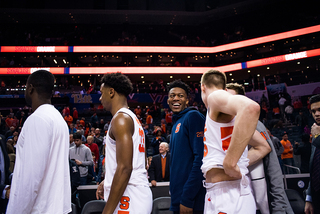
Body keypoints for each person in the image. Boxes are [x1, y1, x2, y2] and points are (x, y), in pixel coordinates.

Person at [200, 70, 270, 214]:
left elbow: (251, 107)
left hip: (227, 194)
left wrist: (230, 163)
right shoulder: (230, 119)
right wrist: (240, 161)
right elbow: (263, 147)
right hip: (234, 191)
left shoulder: (214, 96)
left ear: (202, 87)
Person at [6, 70, 71, 214]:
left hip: (39, 209)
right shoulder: (58, 119)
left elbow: (30, 179)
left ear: (30, 88)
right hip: (56, 206)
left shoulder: (37, 119)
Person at [226, 82, 293, 213]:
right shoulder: (223, 127)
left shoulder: (255, 125)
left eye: (232, 99)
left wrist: (279, 206)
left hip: (259, 202)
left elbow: (273, 167)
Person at [95, 73, 152, 214]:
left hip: (129, 195)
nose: (100, 98)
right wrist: (107, 180)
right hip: (135, 192)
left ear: (111, 92)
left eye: (102, 93)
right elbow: (140, 161)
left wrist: (107, 211)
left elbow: (125, 167)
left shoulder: (120, 119)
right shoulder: (132, 118)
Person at [167, 79, 206, 214]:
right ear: (168, 100)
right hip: (178, 198)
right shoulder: (176, 123)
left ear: (187, 101)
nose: (176, 98)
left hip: (190, 201)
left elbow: (201, 159)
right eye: (172, 96)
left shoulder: (193, 116)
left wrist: (188, 198)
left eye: (180, 95)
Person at [305, 94, 320, 214]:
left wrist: (317, 137)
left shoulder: (316, 135)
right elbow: (315, 168)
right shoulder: (316, 131)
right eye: (314, 111)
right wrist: (309, 197)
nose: (317, 114)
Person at [0, 134, 11, 214]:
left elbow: (4, 170)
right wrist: (3, 189)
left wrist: (13, 177)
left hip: (3, 203)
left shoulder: (2, 138)